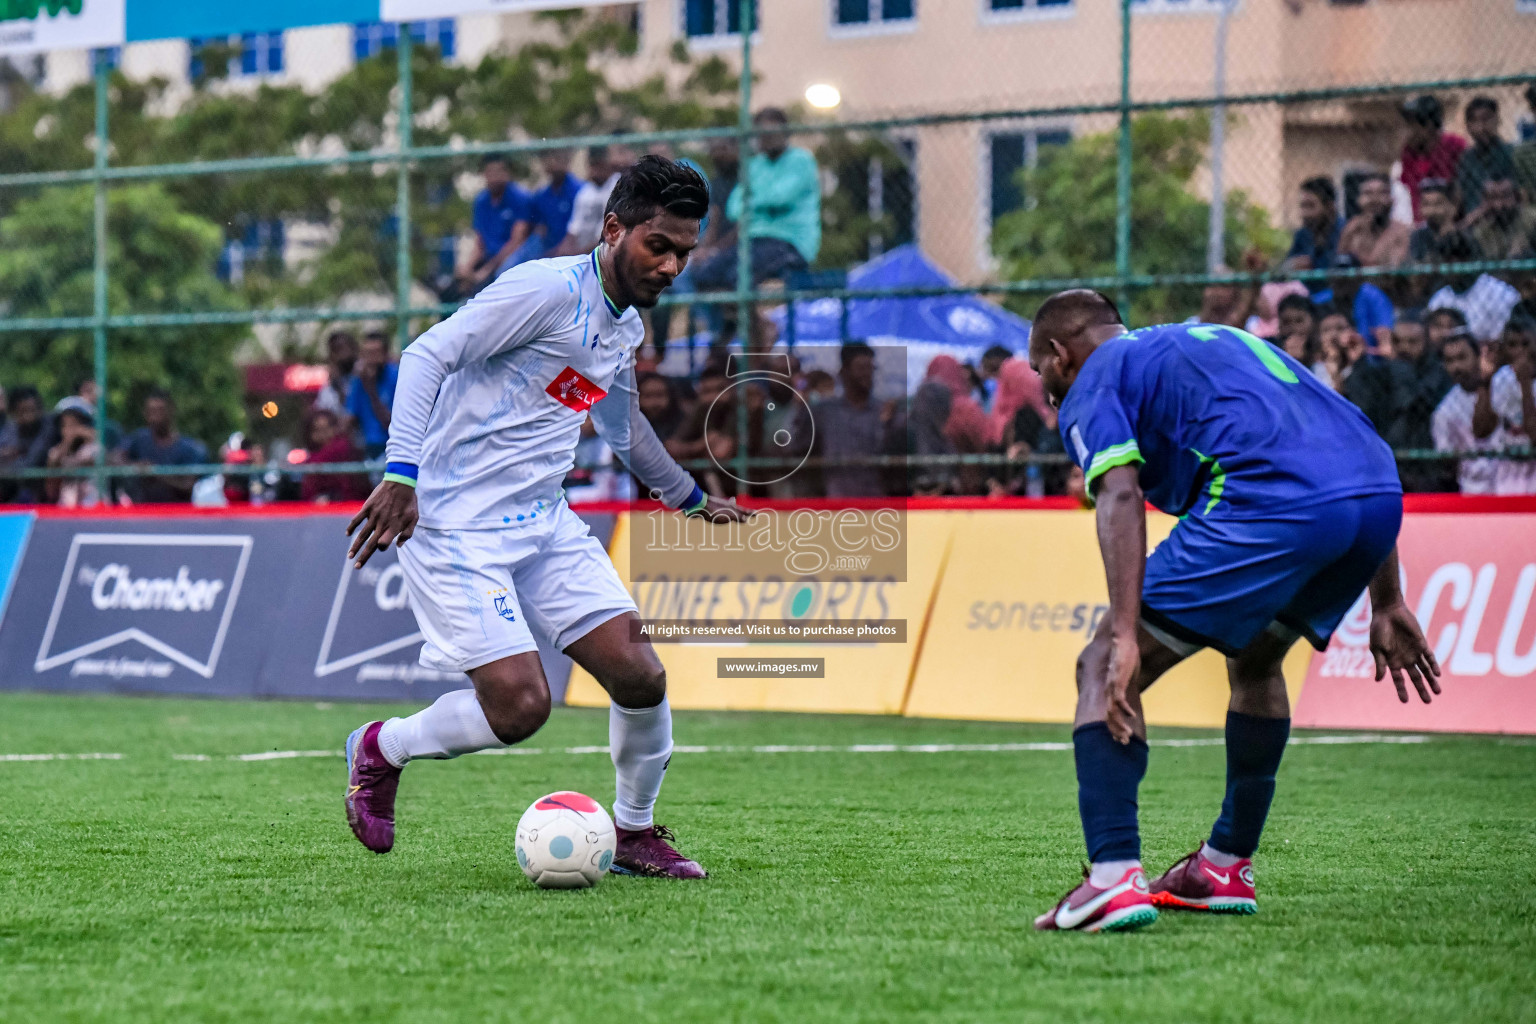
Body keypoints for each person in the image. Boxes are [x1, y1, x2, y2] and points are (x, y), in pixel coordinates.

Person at [341, 156, 751, 876]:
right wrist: (400, 471)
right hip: (453, 526)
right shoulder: (544, 290)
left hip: (543, 522)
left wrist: (688, 498)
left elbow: (623, 432)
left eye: (685, 253)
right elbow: (427, 352)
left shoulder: (624, 326)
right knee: (521, 709)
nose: (673, 267)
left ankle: (633, 833)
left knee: (639, 675)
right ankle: (382, 748)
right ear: (614, 228)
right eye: (660, 247)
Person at [1026, 290, 1438, 933]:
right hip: (1376, 493)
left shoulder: (1093, 375)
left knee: (1103, 661)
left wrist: (1127, 634)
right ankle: (1222, 865)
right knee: (1256, 657)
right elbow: (1347, 435)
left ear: (1059, 353)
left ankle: (1111, 878)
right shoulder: (1211, 340)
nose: (1046, 391)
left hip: (1273, 503)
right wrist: (1388, 598)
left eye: (1038, 371)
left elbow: (1120, 493)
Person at [692, 109, 820, 318]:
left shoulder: (801, 160)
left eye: (770, 133)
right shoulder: (754, 165)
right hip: (752, 242)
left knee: (738, 276)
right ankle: (757, 328)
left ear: (785, 133)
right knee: (706, 275)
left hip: (789, 242)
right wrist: (762, 201)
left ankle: (754, 333)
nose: (765, 139)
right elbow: (734, 207)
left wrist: (753, 200)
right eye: (760, 134)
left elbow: (782, 197)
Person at [783, 341, 900, 498]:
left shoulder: (884, 411)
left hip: (875, 500)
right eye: (860, 368)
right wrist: (798, 407)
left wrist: (889, 425)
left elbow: (893, 457)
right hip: (835, 500)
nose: (867, 374)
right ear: (844, 372)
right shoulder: (824, 411)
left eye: (870, 368)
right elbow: (795, 445)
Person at [1318, 308, 1412, 445]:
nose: (1333, 335)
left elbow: (1366, 409)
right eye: (1326, 330)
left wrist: (1357, 363)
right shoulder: (1309, 369)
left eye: (1340, 328)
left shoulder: (1367, 371)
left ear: (1353, 332)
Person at [1432, 330, 1506, 494]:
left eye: (1462, 357)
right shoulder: (1445, 410)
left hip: (1510, 481)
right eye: (1450, 360)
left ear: (1478, 356)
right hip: (1473, 489)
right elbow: (1447, 458)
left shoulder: (1503, 385)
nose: (1456, 366)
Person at [1390, 315, 1456, 492]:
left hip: (1430, 460)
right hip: (1395, 460)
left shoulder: (1439, 371)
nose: (1404, 348)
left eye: (1412, 342)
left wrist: (1400, 367)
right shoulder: (1383, 370)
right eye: (1398, 341)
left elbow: (1416, 404)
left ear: (1426, 342)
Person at [115, 390, 208, 504]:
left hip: (176, 514)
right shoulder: (139, 439)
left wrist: (157, 474)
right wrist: (134, 466)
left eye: (160, 411)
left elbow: (188, 486)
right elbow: (114, 458)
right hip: (142, 513)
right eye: (151, 412)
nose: (155, 417)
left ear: (171, 410)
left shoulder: (189, 448)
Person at [458, 154, 531, 292]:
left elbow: (517, 242)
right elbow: (480, 244)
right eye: (489, 172)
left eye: (498, 171)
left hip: (514, 261)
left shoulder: (520, 198)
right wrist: (467, 267)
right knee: (455, 287)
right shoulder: (481, 201)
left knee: (496, 279)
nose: (494, 177)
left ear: (507, 173)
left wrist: (487, 270)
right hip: (490, 260)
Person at [1484, 315, 1536, 493]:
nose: (1520, 351)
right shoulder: (1501, 378)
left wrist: (1526, 385)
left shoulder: (1526, 380)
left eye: (1525, 344)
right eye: (1512, 345)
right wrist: (1486, 380)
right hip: (1507, 465)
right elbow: (1483, 430)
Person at [556, 143, 636, 257]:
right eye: (592, 165)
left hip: (610, 253)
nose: (594, 170)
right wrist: (563, 253)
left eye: (599, 165)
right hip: (583, 252)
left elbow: (608, 236)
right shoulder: (585, 192)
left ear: (607, 164)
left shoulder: (620, 186)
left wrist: (578, 255)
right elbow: (573, 230)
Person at [508, 150, 584, 268]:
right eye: (548, 158)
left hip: (574, 254)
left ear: (567, 161)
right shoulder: (541, 195)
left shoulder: (581, 191)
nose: (553, 163)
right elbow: (538, 228)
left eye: (558, 158)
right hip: (548, 252)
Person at [1398, 95, 1468, 222]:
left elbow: (1465, 190)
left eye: (1410, 126)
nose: (1405, 132)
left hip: (1455, 222)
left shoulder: (1454, 146)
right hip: (1420, 225)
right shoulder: (1409, 153)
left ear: (1428, 126)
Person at [1456, 96, 1516, 219]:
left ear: (1498, 120)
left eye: (1486, 119)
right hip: (1473, 225)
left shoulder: (1512, 154)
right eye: (1474, 121)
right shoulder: (1466, 159)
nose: (1481, 127)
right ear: (1468, 126)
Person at [1338, 171, 1411, 270]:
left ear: (1392, 199)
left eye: (1382, 193)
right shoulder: (1351, 230)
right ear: (1359, 200)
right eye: (1368, 193)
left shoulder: (1402, 233)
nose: (1374, 199)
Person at [1281, 177, 1341, 291]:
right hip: (1303, 299)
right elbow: (1286, 267)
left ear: (1329, 207)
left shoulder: (1345, 232)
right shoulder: (1302, 235)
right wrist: (1292, 265)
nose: (1304, 214)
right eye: (1302, 206)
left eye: (1310, 206)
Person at [345, 331, 397, 460]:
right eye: (367, 354)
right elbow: (349, 418)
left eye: (375, 353)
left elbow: (391, 423)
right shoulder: (359, 379)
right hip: (367, 447)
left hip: (393, 446)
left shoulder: (396, 376)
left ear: (385, 354)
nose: (371, 360)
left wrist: (371, 388)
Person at [300, 408, 367, 504]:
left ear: (335, 429)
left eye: (327, 429)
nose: (323, 434)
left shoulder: (342, 447)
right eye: (317, 430)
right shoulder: (310, 460)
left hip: (349, 506)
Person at [43, 397, 101, 507]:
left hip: (93, 509)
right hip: (67, 509)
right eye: (65, 425)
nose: (70, 429)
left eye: (75, 424)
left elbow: (99, 458)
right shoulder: (56, 451)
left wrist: (90, 436)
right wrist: (67, 443)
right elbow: (50, 489)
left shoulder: (94, 448)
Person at [0, 385, 50, 503]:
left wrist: (11, 457)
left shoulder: (47, 427)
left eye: (32, 410)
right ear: (14, 412)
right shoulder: (11, 428)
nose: (29, 416)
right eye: (23, 411)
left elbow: (32, 462)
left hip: (38, 490)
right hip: (10, 488)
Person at [1469, 176, 1536, 259]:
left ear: (1515, 196)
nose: (1499, 205)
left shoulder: (1532, 219)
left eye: (1505, 196)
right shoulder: (1481, 232)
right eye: (1493, 197)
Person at [314, 331, 359, 420]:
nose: (339, 355)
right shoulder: (329, 388)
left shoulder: (364, 377)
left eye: (342, 348)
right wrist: (336, 384)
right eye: (334, 351)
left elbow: (355, 412)